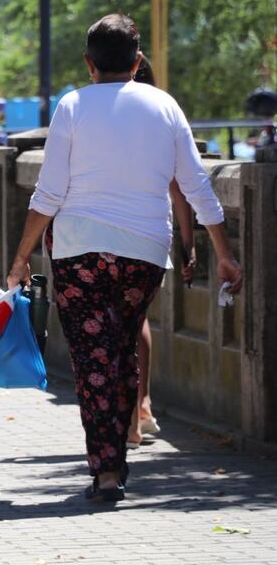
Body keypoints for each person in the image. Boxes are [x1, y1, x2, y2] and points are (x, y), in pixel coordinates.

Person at [6, 14, 243, 502]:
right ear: (137, 63)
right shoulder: (165, 106)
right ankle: (123, 440)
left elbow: (48, 193)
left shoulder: (72, 106)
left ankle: (107, 470)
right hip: (143, 255)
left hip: (78, 253)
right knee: (123, 350)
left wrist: (20, 257)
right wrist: (224, 253)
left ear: (89, 64)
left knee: (94, 360)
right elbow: (197, 186)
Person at [127, 54, 196, 449]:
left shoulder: (102, 114)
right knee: (138, 321)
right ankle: (142, 406)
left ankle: (132, 416)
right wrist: (189, 246)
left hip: (102, 239)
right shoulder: (163, 115)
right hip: (152, 238)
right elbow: (181, 189)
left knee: (119, 327)